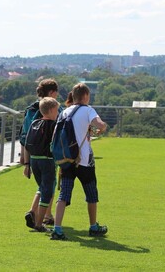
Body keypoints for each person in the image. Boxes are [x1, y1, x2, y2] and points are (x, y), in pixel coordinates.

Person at [51, 83, 108, 240]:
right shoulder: (88, 110)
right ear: (86, 96)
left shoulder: (64, 112)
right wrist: (101, 128)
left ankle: (57, 228)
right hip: (84, 161)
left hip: (66, 160)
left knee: (64, 194)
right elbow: (100, 125)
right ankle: (93, 226)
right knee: (91, 194)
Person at [20, 78, 59, 228]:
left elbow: (25, 135)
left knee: (42, 186)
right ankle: (42, 217)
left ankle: (38, 213)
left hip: (33, 156)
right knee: (48, 187)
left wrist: (25, 160)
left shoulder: (31, 110)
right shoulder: (53, 110)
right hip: (47, 157)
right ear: (51, 93)